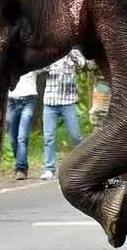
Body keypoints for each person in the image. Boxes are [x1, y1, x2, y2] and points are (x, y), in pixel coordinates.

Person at [40, 49, 87, 180]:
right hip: (50, 102)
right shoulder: (50, 54)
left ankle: (82, 164)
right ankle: (49, 169)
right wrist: (48, 61)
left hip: (68, 102)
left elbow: (82, 63)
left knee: (75, 136)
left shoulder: (74, 54)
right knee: (48, 137)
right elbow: (39, 69)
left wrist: (70, 53)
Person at [6, 69, 40, 181]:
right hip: (12, 101)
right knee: (12, 139)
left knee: (22, 137)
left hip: (29, 100)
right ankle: (22, 163)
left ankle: (20, 169)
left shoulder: (32, 61)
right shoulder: (10, 62)